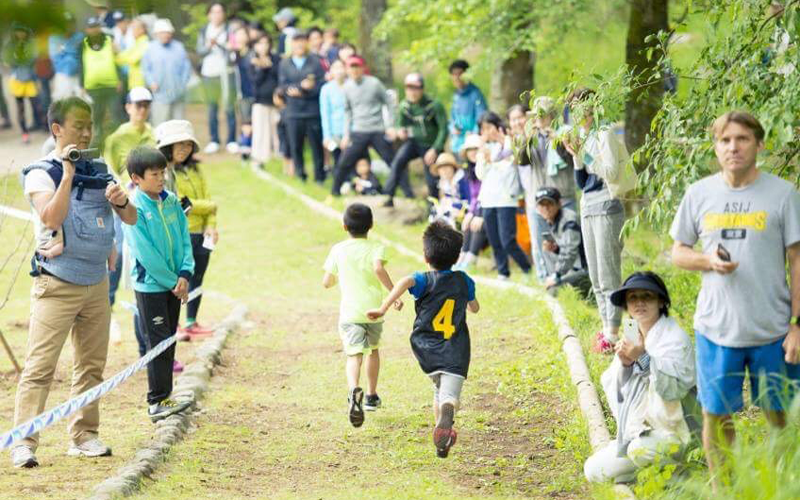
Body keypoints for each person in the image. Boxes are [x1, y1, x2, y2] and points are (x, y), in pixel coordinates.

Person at [670, 110, 800, 484]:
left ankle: (782, 485)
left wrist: (797, 324)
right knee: (715, 415)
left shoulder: (783, 195)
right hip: (716, 329)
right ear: (716, 147)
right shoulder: (700, 194)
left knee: (779, 415)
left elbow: (797, 260)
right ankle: (723, 490)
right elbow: (678, 251)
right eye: (725, 140)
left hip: (772, 330)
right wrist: (706, 260)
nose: (733, 147)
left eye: (742, 139)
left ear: (758, 144)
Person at [11, 96, 137, 469]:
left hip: (97, 283)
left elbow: (129, 219)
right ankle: (23, 442)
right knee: (40, 367)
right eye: (78, 125)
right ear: (57, 129)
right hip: (57, 284)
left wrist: (120, 200)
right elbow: (51, 215)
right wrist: (67, 174)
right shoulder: (41, 172)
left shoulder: (100, 168)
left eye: (90, 125)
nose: (85, 132)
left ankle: (84, 436)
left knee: (92, 365)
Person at [367, 221, 480, 458]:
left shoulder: (424, 279)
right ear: (457, 257)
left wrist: (383, 307)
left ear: (426, 257)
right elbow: (475, 308)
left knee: (439, 389)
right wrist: (471, 300)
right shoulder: (464, 280)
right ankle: (447, 414)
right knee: (449, 396)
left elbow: (405, 282)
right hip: (455, 348)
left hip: (426, 347)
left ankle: (442, 439)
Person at [584, 272, 697, 483]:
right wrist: (626, 365)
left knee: (637, 450)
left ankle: (682, 475)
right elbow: (613, 387)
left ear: (661, 301)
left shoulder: (675, 338)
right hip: (640, 431)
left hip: (674, 431)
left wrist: (642, 358)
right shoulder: (632, 333)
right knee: (592, 470)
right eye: (633, 298)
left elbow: (674, 390)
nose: (639, 303)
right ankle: (651, 476)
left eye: (647, 296)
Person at [123, 146, 195, 422]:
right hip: (151, 287)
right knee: (159, 342)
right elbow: (145, 253)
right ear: (137, 178)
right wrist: (170, 281)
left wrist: (185, 274)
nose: (161, 178)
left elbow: (184, 239)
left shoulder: (172, 202)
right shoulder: (134, 208)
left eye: (162, 172)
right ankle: (156, 401)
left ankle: (166, 396)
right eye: (154, 174)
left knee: (169, 340)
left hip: (176, 283)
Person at [322, 203, 402, 426]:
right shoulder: (376, 247)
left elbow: (326, 282)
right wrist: (393, 295)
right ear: (372, 225)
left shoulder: (338, 249)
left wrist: (337, 278)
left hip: (350, 313)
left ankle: (353, 390)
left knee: (354, 355)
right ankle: (371, 396)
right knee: (373, 351)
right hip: (373, 312)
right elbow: (378, 268)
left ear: (344, 225)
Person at [563, 88, 627, 354]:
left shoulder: (604, 132)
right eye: (573, 108)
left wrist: (586, 155)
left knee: (608, 272)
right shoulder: (582, 136)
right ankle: (606, 329)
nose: (578, 112)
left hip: (607, 206)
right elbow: (581, 182)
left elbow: (611, 172)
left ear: (592, 107)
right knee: (595, 276)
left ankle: (612, 333)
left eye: (581, 106)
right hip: (588, 206)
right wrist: (576, 154)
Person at [158, 120, 218, 337]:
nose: (184, 149)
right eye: (179, 144)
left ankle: (191, 321)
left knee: (198, 277)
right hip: (182, 234)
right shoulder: (162, 172)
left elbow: (202, 199)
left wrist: (211, 224)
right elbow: (182, 204)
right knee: (178, 279)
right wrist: (210, 206)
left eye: (188, 144)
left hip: (203, 233)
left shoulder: (195, 169)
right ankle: (175, 325)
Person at [512, 98, 576, 281]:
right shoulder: (529, 137)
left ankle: (570, 277)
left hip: (563, 196)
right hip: (537, 197)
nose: (539, 120)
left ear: (552, 116)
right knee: (540, 241)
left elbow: (571, 160)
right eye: (536, 116)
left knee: (567, 239)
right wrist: (526, 138)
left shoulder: (565, 133)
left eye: (543, 115)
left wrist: (556, 139)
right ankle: (543, 278)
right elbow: (522, 161)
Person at [475, 111, 531, 280]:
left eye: (489, 127)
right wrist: (483, 157)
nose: (487, 132)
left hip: (506, 200)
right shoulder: (484, 150)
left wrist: (500, 145)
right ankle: (503, 272)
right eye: (483, 129)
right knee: (494, 240)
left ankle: (527, 269)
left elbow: (509, 167)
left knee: (508, 240)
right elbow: (480, 175)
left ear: (498, 126)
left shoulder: (509, 143)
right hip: (488, 201)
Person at [330, 56, 396, 196]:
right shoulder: (347, 87)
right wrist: (346, 135)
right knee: (344, 162)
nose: (354, 70)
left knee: (392, 161)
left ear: (362, 68)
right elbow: (347, 111)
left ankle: (405, 192)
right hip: (358, 131)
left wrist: (390, 125)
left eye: (357, 67)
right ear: (348, 70)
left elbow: (389, 102)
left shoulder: (374, 83)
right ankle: (334, 192)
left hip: (377, 129)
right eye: (351, 67)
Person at [383, 73, 448, 207]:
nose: (411, 92)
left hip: (431, 146)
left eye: (415, 88)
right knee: (398, 161)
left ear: (422, 89)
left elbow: (443, 129)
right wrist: (400, 131)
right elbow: (399, 124)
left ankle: (433, 207)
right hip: (414, 143)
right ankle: (388, 195)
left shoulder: (434, 105)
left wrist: (435, 149)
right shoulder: (404, 106)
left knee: (431, 177)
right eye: (408, 87)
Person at [278, 32, 327, 183]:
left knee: (316, 146)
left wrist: (309, 89)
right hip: (293, 111)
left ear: (306, 43)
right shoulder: (285, 64)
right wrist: (299, 87)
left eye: (302, 42)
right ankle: (300, 174)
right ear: (291, 45)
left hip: (312, 111)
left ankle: (319, 176)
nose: (299, 45)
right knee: (295, 145)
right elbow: (282, 85)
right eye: (296, 42)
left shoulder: (315, 61)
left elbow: (321, 85)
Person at [534, 187, 590, 297]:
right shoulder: (553, 220)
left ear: (559, 204)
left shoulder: (569, 221)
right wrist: (556, 250)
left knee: (553, 290)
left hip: (587, 271)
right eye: (542, 205)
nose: (546, 208)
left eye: (549, 203)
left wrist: (557, 275)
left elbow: (570, 253)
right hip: (575, 269)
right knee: (546, 248)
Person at [197, 3, 237, 154]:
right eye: (213, 12)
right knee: (212, 108)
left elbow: (233, 51)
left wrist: (220, 45)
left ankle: (231, 140)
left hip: (226, 73)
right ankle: (214, 140)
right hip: (209, 73)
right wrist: (209, 46)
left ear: (224, 14)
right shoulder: (203, 30)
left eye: (219, 12)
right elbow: (200, 51)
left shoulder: (230, 30)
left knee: (229, 106)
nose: (217, 15)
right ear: (209, 15)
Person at [80, 16, 123, 149]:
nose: (94, 30)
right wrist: (82, 85)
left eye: (96, 27)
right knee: (96, 118)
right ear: (87, 29)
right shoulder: (83, 44)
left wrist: (120, 79)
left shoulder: (110, 41)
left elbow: (118, 61)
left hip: (111, 85)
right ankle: (96, 146)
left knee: (116, 114)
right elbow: (81, 65)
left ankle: (118, 143)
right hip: (93, 87)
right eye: (91, 27)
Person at [142, 19, 192, 126]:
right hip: (160, 94)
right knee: (160, 125)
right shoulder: (150, 48)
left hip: (178, 93)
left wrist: (182, 85)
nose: (165, 35)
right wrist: (151, 82)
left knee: (179, 124)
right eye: (162, 33)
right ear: (156, 34)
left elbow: (186, 68)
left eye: (167, 32)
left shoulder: (179, 47)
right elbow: (146, 69)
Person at [4, 23, 43, 143]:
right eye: (18, 31)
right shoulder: (10, 45)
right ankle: (24, 133)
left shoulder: (31, 44)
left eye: (23, 31)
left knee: (36, 104)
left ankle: (39, 125)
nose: (20, 33)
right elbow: (8, 61)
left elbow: (34, 58)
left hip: (30, 78)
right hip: (17, 79)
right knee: (20, 108)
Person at [454, 134, 487, 271]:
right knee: (467, 222)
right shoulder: (469, 169)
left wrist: (479, 214)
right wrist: (470, 213)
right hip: (478, 207)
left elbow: (485, 194)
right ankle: (463, 255)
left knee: (476, 224)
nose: (473, 152)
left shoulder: (485, 166)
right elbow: (474, 197)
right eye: (470, 149)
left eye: (475, 149)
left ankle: (471, 258)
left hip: (489, 207)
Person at [248, 34, 281, 167]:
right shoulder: (252, 61)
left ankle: (278, 155)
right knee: (261, 131)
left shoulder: (276, 59)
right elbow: (255, 81)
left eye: (266, 43)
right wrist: (262, 67)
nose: (263, 46)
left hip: (275, 100)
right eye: (260, 43)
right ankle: (259, 157)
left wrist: (269, 65)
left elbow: (278, 76)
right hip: (260, 101)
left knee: (277, 130)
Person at [448, 59, 487, 158]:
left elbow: (481, 118)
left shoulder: (475, 94)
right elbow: (452, 118)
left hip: (471, 146)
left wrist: (473, 133)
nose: (457, 77)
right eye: (454, 74)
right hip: (457, 144)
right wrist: (453, 128)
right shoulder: (455, 96)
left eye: (460, 73)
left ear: (467, 74)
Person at [49, 14, 84, 101]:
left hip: (78, 75)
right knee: (62, 104)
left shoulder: (79, 36)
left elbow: (82, 55)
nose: (68, 26)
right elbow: (55, 58)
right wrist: (71, 51)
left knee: (81, 103)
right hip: (62, 75)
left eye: (71, 23)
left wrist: (65, 50)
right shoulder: (54, 38)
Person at [319, 59, 348, 167]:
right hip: (334, 132)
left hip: (351, 131)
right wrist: (327, 136)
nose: (339, 71)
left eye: (341, 67)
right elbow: (325, 114)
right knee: (338, 161)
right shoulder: (326, 89)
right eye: (336, 68)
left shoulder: (351, 86)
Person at [429, 152, 469, 227]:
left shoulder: (461, 180)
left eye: (446, 167)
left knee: (448, 213)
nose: (444, 170)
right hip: (450, 206)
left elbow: (467, 199)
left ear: (453, 168)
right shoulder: (444, 182)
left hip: (463, 207)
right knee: (435, 211)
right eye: (441, 168)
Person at [115, 17, 148, 90]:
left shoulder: (145, 43)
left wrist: (119, 54)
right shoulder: (137, 43)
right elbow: (120, 59)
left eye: (133, 28)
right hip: (135, 84)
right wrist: (116, 54)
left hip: (142, 84)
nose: (132, 31)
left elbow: (133, 59)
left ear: (142, 30)